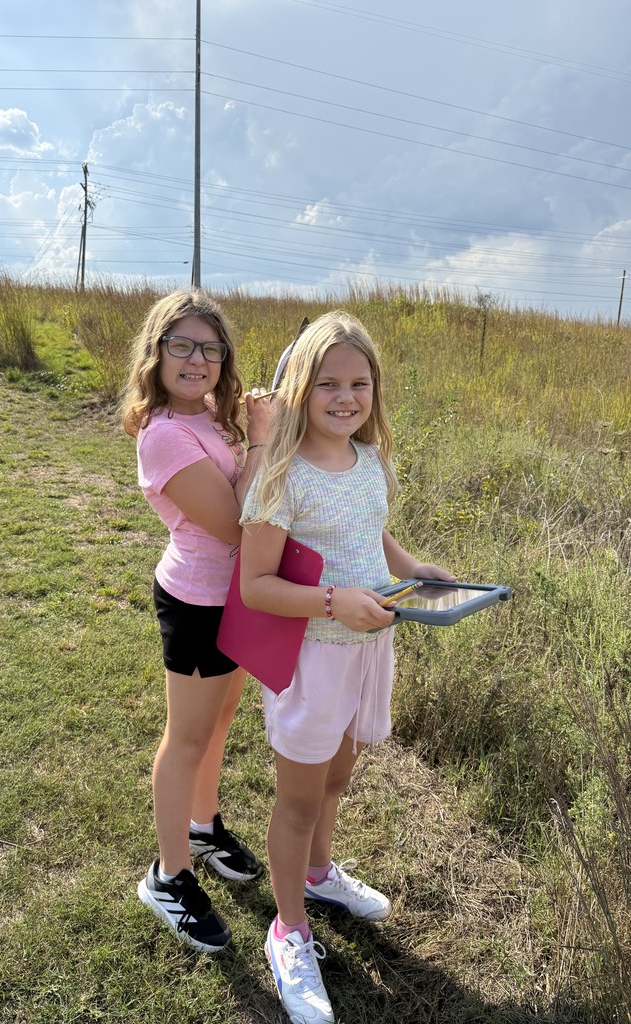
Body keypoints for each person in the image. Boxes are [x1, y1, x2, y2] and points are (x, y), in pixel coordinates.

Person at [239, 310, 455, 1023]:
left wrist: (412, 567)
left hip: (371, 651)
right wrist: (334, 601)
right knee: (298, 800)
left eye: (359, 382)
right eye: (328, 382)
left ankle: (320, 874)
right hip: (312, 659)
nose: (345, 396)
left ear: (375, 390)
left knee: (339, 776)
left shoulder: (369, 461)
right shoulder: (280, 475)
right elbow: (256, 587)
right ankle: (289, 931)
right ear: (299, 388)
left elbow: (372, 530)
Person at [121, 289, 273, 954]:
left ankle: (203, 825)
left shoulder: (211, 414)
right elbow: (236, 524)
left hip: (236, 597)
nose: (197, 359)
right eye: (180, 345)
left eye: (210, 348)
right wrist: (262, 442)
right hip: (195, 601)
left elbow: (247, 463)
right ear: (155, 354)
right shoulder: (163, 436)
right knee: (185, 738)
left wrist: (254, 419)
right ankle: (169, 873)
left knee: (220, 717)